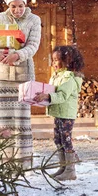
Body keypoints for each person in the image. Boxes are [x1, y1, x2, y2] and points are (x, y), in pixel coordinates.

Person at [0, 0, 41, 167]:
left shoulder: (34, 20)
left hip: (23, 75)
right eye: (13, 6)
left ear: (25, 4)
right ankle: (4, 161)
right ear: (8, 5)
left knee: (21, 119)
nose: (17, 10)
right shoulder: (0, 18)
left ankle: (23, 162)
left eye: (20, 6)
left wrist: (17, 55)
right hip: (2, 75)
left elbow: (33, 46)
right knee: (4, 120)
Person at [33, 45, 84, 180]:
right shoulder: (57, 76)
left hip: (66, 114)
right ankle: (63, 167)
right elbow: (52, 91)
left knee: (66, 140)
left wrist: (48, 97)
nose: (53, 63)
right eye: (53, 60)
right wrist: (43, 96)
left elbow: (61, 96)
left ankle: (70, 170)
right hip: (59, 113)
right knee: (58, 139)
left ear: (67, 61)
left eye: (56, 60)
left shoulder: (68, 78)